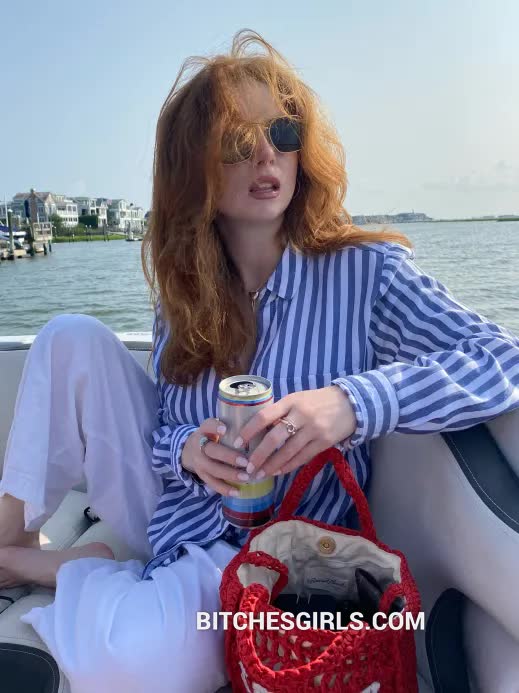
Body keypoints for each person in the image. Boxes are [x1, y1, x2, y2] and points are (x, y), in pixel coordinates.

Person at [0, 29, 518, 692]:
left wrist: (349, 404)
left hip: (275, 549)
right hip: (181, 510)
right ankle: (13, 545)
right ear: (193, 167)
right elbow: (164, 428)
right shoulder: (185, 290)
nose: (266, 155)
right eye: (236, 142)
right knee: (68, 335)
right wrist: (188, 449)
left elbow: (500, 357)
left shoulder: (367, 272)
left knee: (125, 663)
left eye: (281, 132)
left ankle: (75, 567)